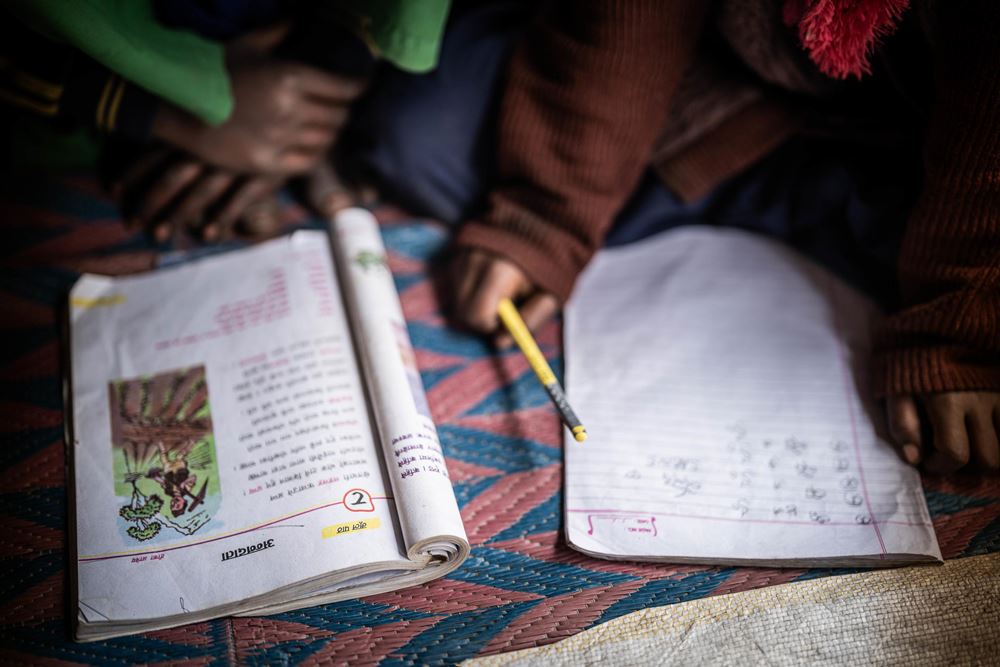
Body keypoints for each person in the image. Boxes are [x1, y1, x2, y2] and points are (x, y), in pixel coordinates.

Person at [342, 0, 999, 474]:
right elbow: (630, 23)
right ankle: (776, 187)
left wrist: (959, 316)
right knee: (417, 137)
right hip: (716, 72)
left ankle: (779, 191)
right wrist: (542, 215)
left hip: (934, 137)